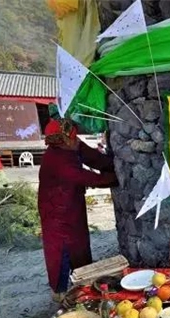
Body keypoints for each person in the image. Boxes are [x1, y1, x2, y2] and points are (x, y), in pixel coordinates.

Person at [38, 112, 118, 302]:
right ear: (62, 141)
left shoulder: (72, 144)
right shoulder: (57, 160)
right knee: (61, 251)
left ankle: (83, 283)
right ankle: (60, 292)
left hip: (73, 206)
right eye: (73, 138)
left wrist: (112, 164)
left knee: (81, 244)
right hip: (56, 212)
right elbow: (89, 178)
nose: (76, 140)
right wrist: (117, 178)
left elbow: (93, 157)